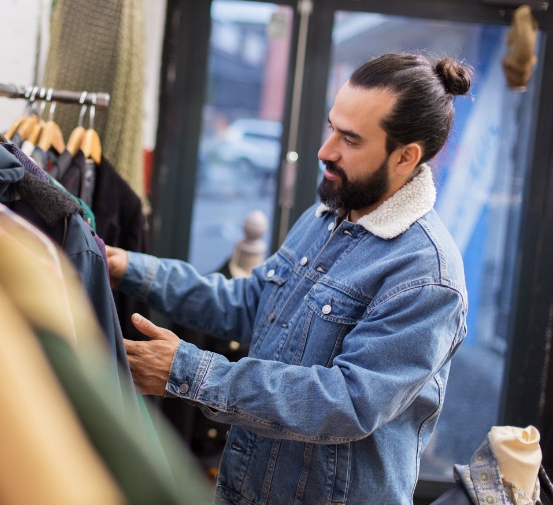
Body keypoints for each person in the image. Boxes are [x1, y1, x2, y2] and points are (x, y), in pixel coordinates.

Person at [106, 52, 472, 504]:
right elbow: (250, 305)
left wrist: (188, 372)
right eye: (331, 126)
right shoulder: (327, 215)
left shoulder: (426, 276)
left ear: (405, 157)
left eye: (350, 140)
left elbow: (347, 403)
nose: (325, 150)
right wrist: (128, 267)